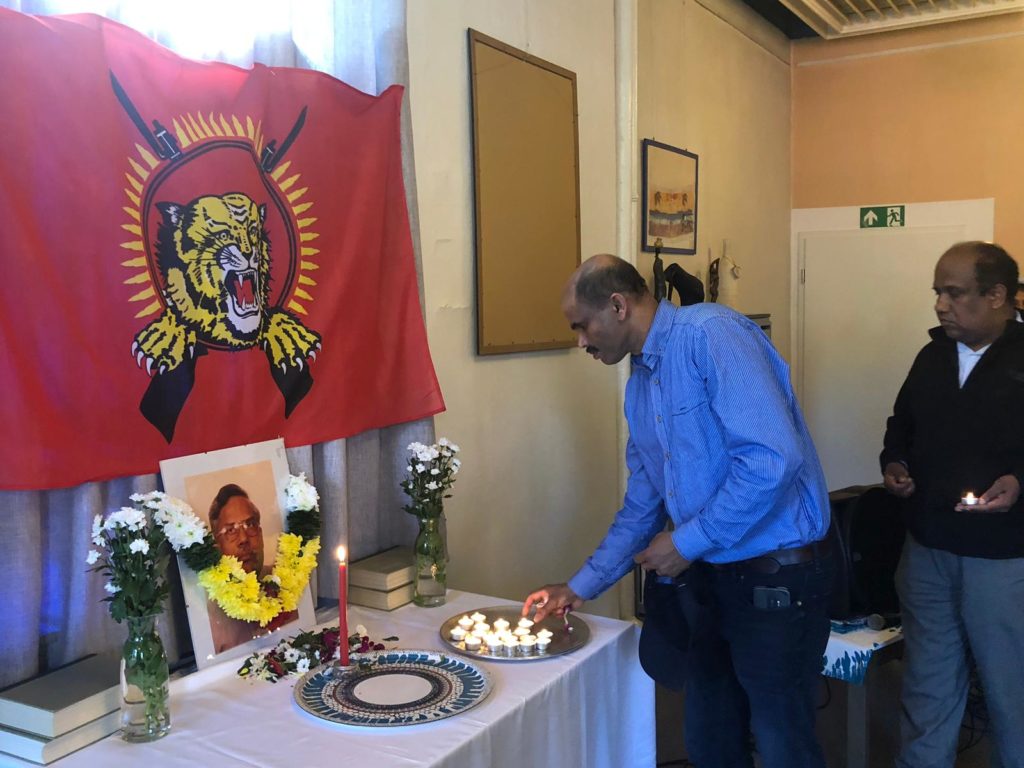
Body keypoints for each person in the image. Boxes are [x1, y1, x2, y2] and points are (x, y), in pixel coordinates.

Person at [523, 254, 833, 768]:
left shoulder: (710, 334)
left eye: (581, 325)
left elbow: (771, 461)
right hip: (711, 581)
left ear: (618, 305)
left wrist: (686, 542)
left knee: (783, 744)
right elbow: (643, 503)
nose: (580, 342)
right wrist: (579, 587)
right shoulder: (641, 383)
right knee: (710, 741)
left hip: (776, 580)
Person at [881, 241, 1024, 768]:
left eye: (954, 293)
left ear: (997, 295)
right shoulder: (933, 355)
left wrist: (1020, 482)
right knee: (927, 684)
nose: (940, 305)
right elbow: (901, 425)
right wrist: (894, 462)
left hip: (1004, 560)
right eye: (938, 292)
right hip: (928, 551)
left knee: (1012, 690)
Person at [207, 484, 297, 653]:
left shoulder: (287, 582)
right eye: (230, 530)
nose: (243, 539)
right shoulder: (209, 615)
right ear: (217, 546)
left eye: (250, 525)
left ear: (261, 534)